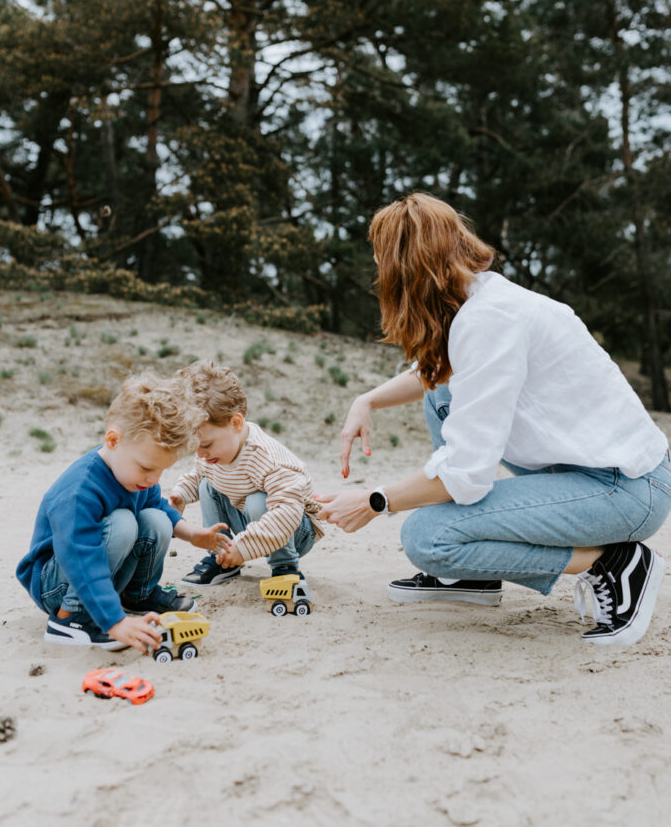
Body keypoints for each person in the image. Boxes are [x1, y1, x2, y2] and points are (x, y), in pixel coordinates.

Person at [318, 193, 671, 647]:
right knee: (440, 388)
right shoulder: (481, 300)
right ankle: (473, 577)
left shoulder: (489, 321)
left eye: (382, 264)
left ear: (407, 268)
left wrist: (373, 500)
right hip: (595, 471)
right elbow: (435, 374)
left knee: (428, 537)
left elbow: (466, 476)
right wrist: (366, 400)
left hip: (626, 489)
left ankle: (615, 564)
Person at [17, 373, 229, 652]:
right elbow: (80, 557)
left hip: (98, 574)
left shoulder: (134, 476)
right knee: (122, 523)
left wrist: (192, 534)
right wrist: (114, 622)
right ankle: (71, 619)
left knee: (155, 519)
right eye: (146, 468)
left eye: (161, 470)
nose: (154, 479)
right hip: (58, 583)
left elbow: (158, 507)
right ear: (113, 440)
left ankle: (137, 596)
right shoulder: (80, 491)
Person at [169, 360, 324, 585]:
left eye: (206, 445)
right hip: (252, 524)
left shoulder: (268, 458)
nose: (201, 453)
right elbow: (198, 473)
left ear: (236, 423)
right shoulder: (215, 452)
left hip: (294, 529)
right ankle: (221, 559)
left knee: (257, 500)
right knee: (207, 485)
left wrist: (242, 547)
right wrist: (181, 494)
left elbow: (286, 511)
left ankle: (285, 567)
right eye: (195, 446)